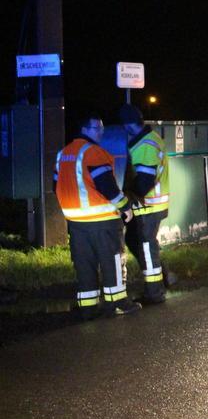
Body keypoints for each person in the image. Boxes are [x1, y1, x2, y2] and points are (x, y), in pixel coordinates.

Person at [54, 112, 140, 319]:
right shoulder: (93, 153)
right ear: (84, 130)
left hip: (76, 221)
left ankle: (88, 308)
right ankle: (117, 303)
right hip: (102, 221)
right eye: (97, 128)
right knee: (113, 262)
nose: (101, 132)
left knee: (84, 264)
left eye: (102, 128)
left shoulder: (63, 153)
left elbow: (55, 185)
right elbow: (107, 186)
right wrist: (125, 206)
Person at [119, 103, 170, 304]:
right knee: (135, 242)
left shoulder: (146, 145)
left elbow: (144, 182)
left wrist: (125, 200)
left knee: (147, 247)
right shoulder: (149, 140)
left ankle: (154, 292)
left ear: (128, 125)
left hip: (149, 206)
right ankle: (163, 277)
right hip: (147, 206)